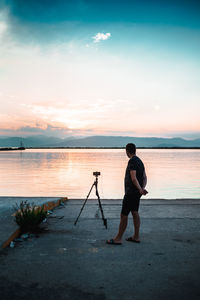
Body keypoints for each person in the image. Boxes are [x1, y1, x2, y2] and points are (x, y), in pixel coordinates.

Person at [107, 143, 148, 245]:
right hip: (136, 193)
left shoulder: (132, 161)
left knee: (124, 215)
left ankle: (118, 239)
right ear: (135, 150)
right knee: (135, 212)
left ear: (127, 151)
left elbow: (133, 178)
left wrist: (139, 189)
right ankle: (136, 237)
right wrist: (142, 188)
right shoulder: (140, 161)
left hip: (131, 193)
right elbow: (144, 177)